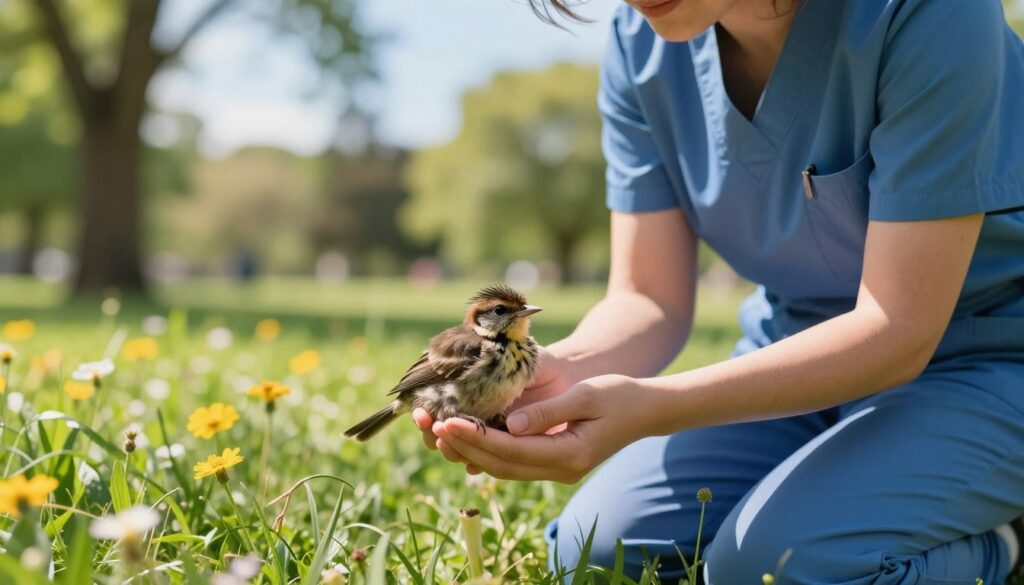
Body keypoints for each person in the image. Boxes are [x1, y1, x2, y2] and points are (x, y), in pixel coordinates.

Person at [415, 0, 1024, 582]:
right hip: (792, 367)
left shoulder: (927, 12)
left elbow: (899, 329)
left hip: (986, 365)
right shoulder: (639, 45)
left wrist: (659, 408)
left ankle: (1003, 539)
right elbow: (648, 298)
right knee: (595, 551)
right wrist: (563, 371)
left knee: (772, 568)